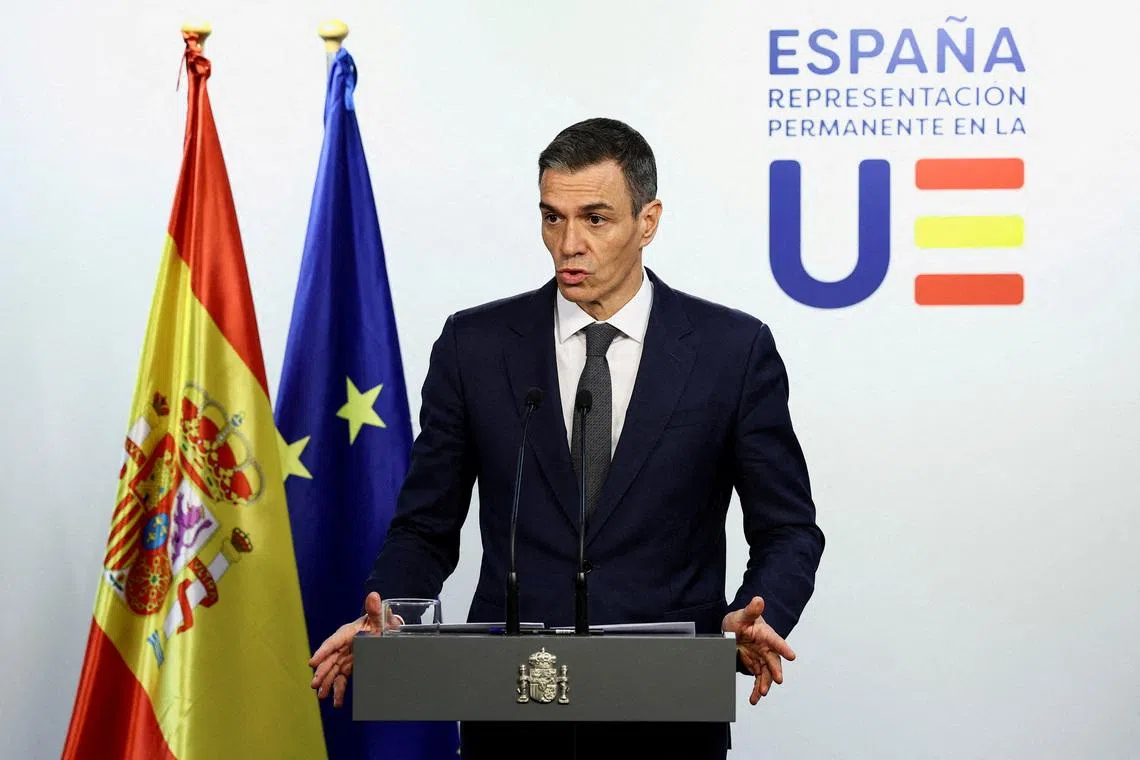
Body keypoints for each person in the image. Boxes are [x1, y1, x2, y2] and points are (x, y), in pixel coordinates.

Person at [308, 117, 824, 759]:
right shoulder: (477, 347)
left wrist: (760, 612)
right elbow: (424, 525)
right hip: (513, 715)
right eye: (552, 217)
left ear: (649, 220)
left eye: (596, 219)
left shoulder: (731, 351)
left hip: (665, 718)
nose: (568, 243)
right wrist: (392, 613)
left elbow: (788, 529)